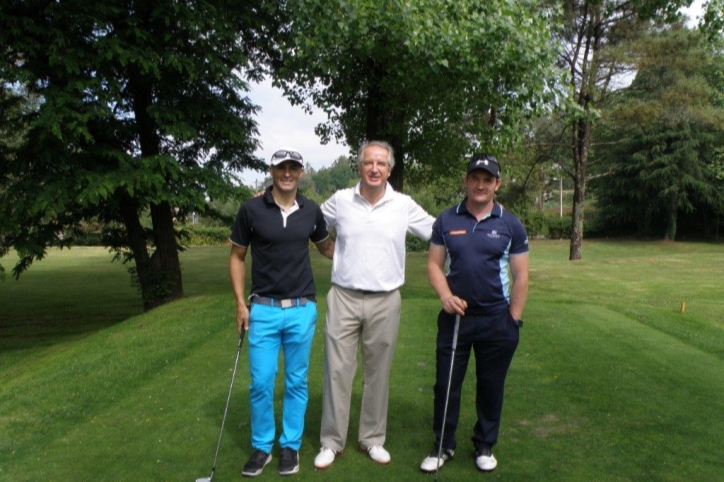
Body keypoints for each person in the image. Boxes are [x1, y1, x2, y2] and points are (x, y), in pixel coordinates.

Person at [313, 140, 435, 469]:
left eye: (381, 164)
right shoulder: (341, 200)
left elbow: (438, 231)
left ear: (390, 170)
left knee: (377, 373)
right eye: (369, 162)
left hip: (386, 300)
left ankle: (372, 439)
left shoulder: (403, 204)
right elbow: (310, 222)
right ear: (359, 167)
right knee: (338, 371)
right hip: (343, 297)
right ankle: (331, 441)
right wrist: (328, 248)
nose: (375, 168)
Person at [419, 154, 529, 474]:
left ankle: (484, 444)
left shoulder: (511, 224)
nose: (480, 185)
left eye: (487, 179)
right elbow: (433, 265)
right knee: (446, 384)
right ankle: (443, 445)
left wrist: (514, 319)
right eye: (475, 178)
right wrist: (445, 295)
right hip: (456, 318)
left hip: (497, 318)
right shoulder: (446, 220)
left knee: (490, 385)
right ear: (466, 181)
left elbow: (521, 275)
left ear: (497, 184)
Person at [228, 148, 334, 477]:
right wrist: (240, 303)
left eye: (293, 167)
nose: (287, 173)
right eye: (281, 167)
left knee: (296, 381)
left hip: (302, 309)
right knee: (260, 382)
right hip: (263, 309)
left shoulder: (311, 211)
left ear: (301, 172)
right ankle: (262, 447)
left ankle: (290, 446)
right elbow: (236, 257)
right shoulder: (251, 209)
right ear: (272, 170)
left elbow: (328, 249)